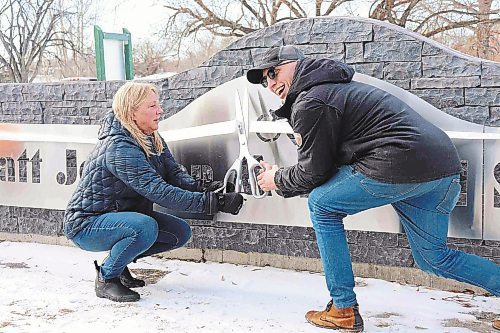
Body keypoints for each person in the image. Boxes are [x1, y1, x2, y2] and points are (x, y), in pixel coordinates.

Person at [248, 45, 500, 332]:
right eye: (263, 80)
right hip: (442, 170)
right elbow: (330, 163)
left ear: (295, 64)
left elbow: (313, 173)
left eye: (273, 72)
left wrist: (277, 179)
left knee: (322, 204)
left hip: (399, 165)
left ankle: (342, 308)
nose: (269, 83)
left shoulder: (312, 101)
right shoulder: (334, 89)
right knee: (434, 258)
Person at [64, 82, 244, 303]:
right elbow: (160, 192)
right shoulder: (119, 148)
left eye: (158, 105)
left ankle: (119, 265)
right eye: (152, 106)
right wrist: (214, 203)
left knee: (179, 232)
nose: (160, 111)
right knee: (145, 227)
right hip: (87, 225)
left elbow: (174, 174)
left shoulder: (150, 138)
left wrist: (206, 189)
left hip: (121, 217)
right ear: (132, 112)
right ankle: (106, 278)